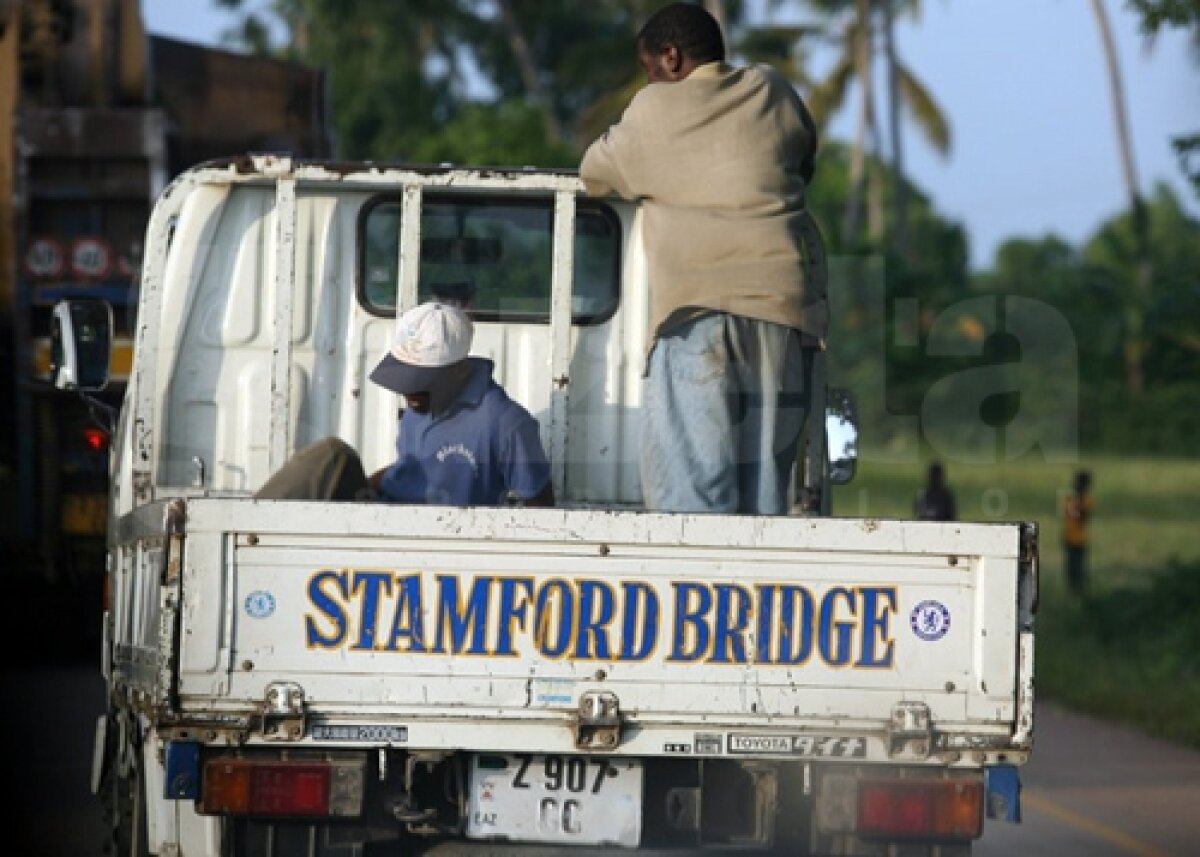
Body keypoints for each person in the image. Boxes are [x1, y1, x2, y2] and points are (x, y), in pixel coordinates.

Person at [579, 2, 827, 515]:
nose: (650, 79)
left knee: (692, 494)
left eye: (649, 68)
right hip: (785, 317)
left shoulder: (653, 109)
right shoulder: (772, 89)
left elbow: (593, 174)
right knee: (765, 494)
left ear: (670, 58)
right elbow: (803, 160)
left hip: (697, 316)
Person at [255, 301, 554, 507]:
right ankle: (256, 530)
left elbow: (539, 505)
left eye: (421, 383)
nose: (410, 395)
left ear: (457, 371)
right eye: (405, 380)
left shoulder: (506, 423)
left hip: (432, 539)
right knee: (331, 457)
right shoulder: (418, 409)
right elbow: (414, 464)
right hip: (385, 512)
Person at [1062, 469, 1094, 596]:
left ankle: (1080, 588)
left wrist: (1078, 503)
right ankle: (1073, 589)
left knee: (1079, 566)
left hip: (1079, 539)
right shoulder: (1070, 500)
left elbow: (1082, 517)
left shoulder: (1086, 501)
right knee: (1071, 566)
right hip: (1070, 537)